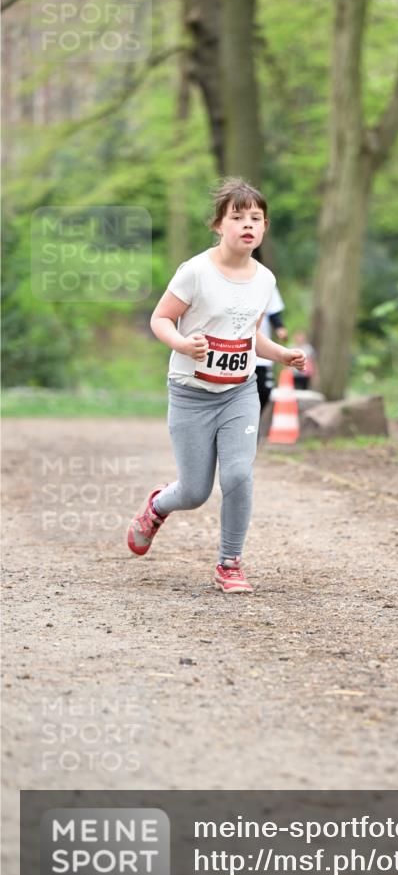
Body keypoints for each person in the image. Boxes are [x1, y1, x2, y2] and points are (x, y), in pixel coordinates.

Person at [126, 177, 306, 593]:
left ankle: (230, 563)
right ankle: (156, 506)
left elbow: (248, 335)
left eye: (256, 218)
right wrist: (181, 344)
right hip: (190, 393)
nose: (248, 225)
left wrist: (281, 354)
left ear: (264, 228)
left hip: (239, 392)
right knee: (193, 491)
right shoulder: (195, 272)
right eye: (237, 217)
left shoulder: (265, 280)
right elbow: (160, 319)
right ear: (218, 225)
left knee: (239, 475)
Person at [256, 283, 288, 411]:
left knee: (263, 391)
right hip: (232, 347)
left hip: (260, 350)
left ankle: (254, 426)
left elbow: (274, 311)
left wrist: (279, 327)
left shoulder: (265, 279)